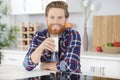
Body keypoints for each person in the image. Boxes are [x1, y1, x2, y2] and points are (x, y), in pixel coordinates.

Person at [23, 1, 81, 73]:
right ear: (46, 18)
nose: (55, 21)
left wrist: (46, 65)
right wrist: (40, 48)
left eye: (60, 17)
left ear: (66, 19)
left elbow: (70, 66)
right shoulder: (39, 36)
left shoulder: (72, 35)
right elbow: (27, 65)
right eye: (52, 17)